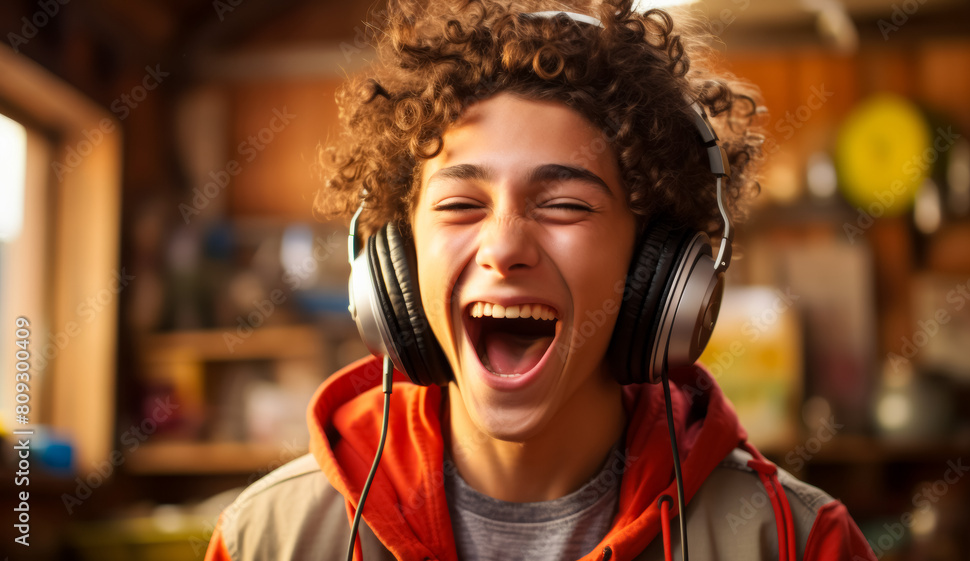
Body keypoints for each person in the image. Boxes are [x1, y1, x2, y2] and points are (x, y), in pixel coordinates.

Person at [204, 0, 877, 559]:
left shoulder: (796, 541)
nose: (504, 246)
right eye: (461, 204)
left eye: (564, 205)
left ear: (656, 265)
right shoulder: (269, 539)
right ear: (396, 261)